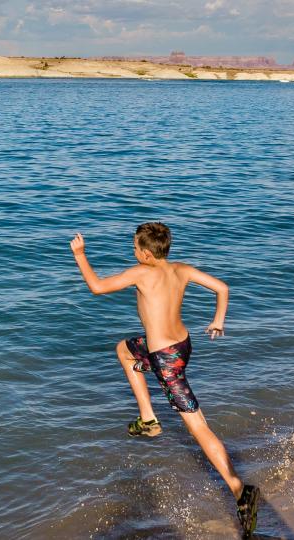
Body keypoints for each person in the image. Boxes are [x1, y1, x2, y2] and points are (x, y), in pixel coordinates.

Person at [69, 222, 259, 538]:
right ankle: (148, 418)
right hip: (182, 346)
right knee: (125, 350)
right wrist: (218, 321)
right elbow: (222, 288)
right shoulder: (180, 269)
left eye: (134, 248)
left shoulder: (141, 273)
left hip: (166, 360)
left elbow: (97, 287)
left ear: (144, 253)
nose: (133, 253)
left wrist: (80, 254)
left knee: (199, 426)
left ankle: (240, 490)